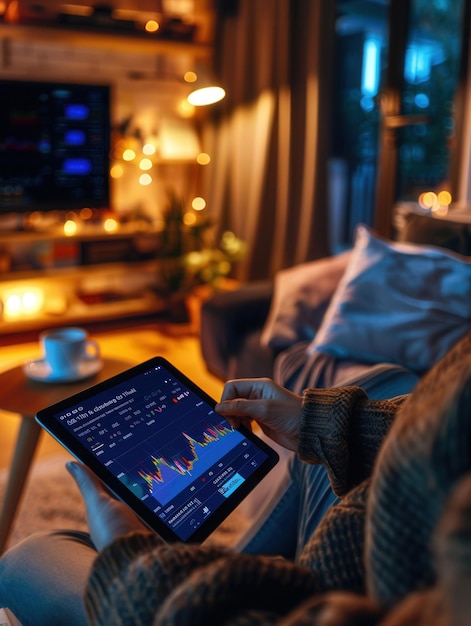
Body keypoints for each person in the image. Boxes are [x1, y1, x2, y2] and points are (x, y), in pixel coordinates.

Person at [1, 330, 469, 626]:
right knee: (386, 379)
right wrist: (316, 420)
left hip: (341, 589)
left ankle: (204, 576)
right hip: (381, 505)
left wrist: (131, 559)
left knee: (26, 558)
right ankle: (224, 568)